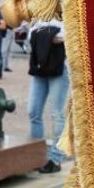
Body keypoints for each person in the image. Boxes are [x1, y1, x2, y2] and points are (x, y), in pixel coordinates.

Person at [27, 18, 69, 173]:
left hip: (60, 68)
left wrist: (43, 35)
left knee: (57, 113)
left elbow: (67, 35)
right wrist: (50, 35)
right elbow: (30, 35)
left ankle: (55, 158)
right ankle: (36, 155)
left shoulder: (66, 9)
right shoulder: (39, 14)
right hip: (40, 67)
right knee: (33, 111)